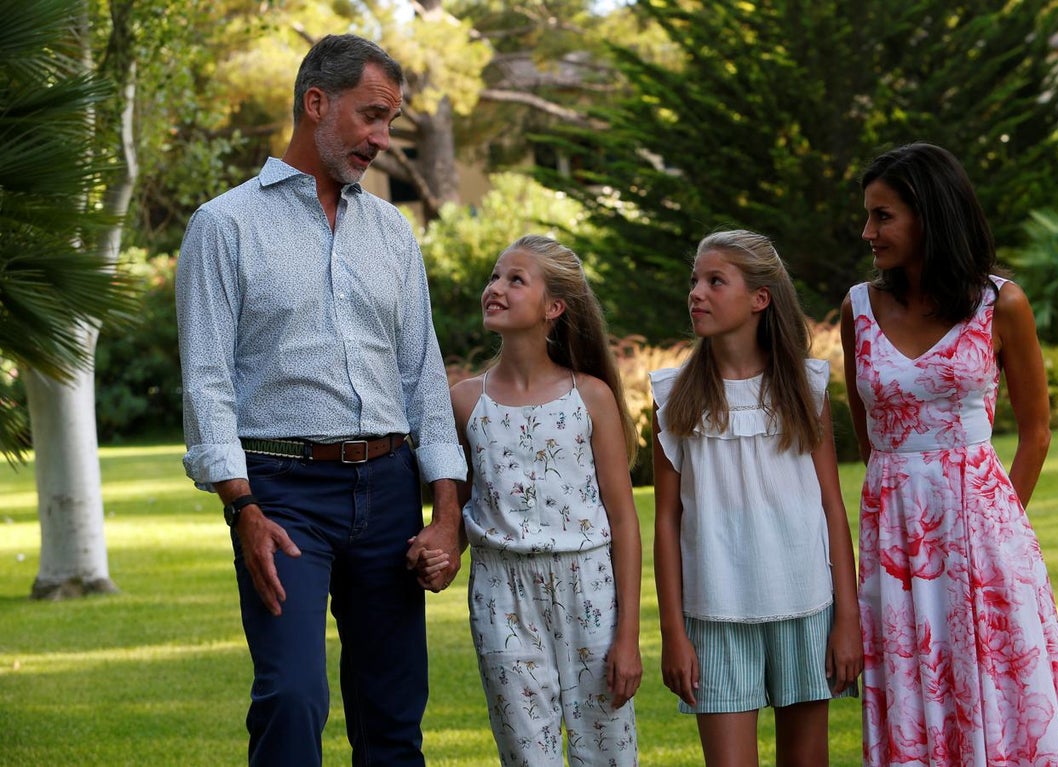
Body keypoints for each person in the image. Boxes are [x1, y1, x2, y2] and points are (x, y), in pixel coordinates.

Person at [174, 34, 467, 766]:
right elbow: (206, 380)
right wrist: (240, 505)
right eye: (371, 115)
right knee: (291, 695)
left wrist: (448, 512)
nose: (383, 138)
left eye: (391, 121)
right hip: (281, 495)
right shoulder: (224, 226)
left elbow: (422, 378)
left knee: (394, 717)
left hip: (389, 492)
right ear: (316, 103)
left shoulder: (393, 234)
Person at [840, 142, 1058, 766]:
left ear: (930, 215)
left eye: (883, 216)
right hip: (895, 532)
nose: (868, 231)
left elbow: (1036, 431)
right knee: (912, 683)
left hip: (986, 532)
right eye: (869, 216)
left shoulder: (1001, 304)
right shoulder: (858, 309)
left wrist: (999, 525)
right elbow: (868, 431)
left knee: (1003, 690)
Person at [650, 229, 862, 767]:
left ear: (759, 298)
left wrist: (847, 618)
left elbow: (832, 508)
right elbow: (667, 521)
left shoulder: (805, 389)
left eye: (715, 281)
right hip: (713, 613)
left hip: (807, 605)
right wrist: (673, 631)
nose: (696, 292)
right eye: (694, 280)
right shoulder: (674, 397)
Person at [444, 234, 643, 766]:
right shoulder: (465, 402)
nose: (496, 288)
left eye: (515, 279)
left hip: (590, 592)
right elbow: (459, 514)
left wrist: (628, 637)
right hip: (500, 594)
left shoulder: (590, 398)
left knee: (606, 752)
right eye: (494, 276)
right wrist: (438, 552)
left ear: (554, 307)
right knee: (527, 756)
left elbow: (624, 522)